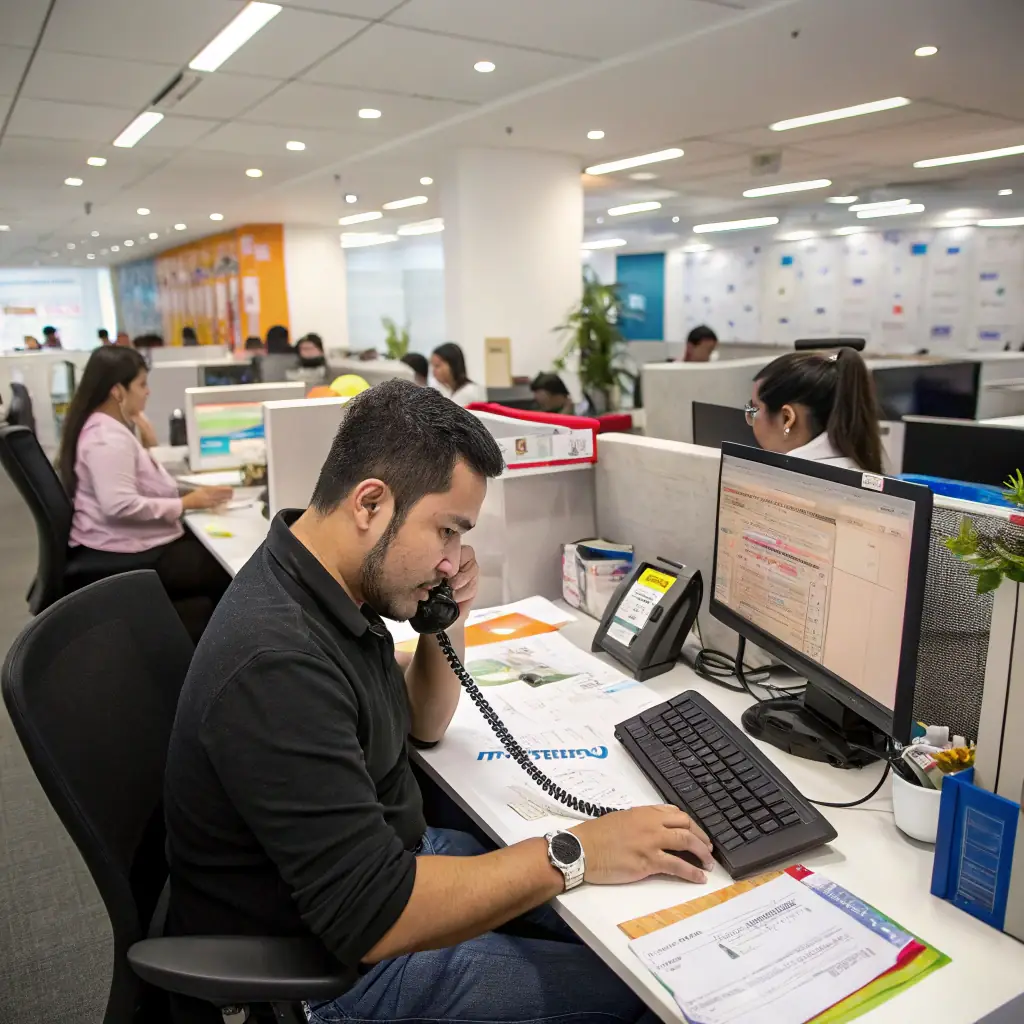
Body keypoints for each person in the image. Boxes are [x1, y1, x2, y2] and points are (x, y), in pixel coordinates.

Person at [164, 380, 712, 1024]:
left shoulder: (324, 580)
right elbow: (376, 917)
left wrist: (446, 616)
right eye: (447, 531)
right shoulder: (278, 662)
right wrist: (580, 850)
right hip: (333, 965)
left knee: (638, 927)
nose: (454, 559)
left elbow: (423, 722)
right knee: (653, 996)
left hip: (393, 861)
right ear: (371, 502)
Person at [57, 346, 235, 641]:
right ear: (117, 391)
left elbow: (135, 483)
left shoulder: (108, 428)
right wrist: (184, 503)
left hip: (121, 539)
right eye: (141, 384)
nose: (148, 392)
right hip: (119, 548)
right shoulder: (106, 438)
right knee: (228, 570)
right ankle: (215, 653)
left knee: (209, 548)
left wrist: (152, 446)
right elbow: (119, 504)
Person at [746, 347, 883, 472]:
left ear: (787, 418)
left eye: (754, 409)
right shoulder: (855, 467)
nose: (750, 418)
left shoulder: (786, 482)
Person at [430, 342, 486, 407]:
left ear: (452, 365)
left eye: (437, 365)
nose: (433, 371)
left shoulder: (472, 391)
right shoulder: (438, 390)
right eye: (433, 366)